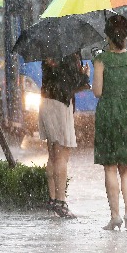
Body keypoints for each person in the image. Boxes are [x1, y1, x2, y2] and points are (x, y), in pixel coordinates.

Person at [92, 14, 127, 231]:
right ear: (126, 34)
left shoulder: (102, 60)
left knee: (110, 167)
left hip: (108, 113)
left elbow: (98, 92)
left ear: (107, 35)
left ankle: (115, 216)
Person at [39, 52, 90, 218]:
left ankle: (52, 199)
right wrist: (84, 76)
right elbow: (73, 85)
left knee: (52, 154)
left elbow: (54, 78)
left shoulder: (47, 49)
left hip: (45, 101)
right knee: (62, 156)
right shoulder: (69, 53)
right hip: (61, 103)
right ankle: (61, 203)